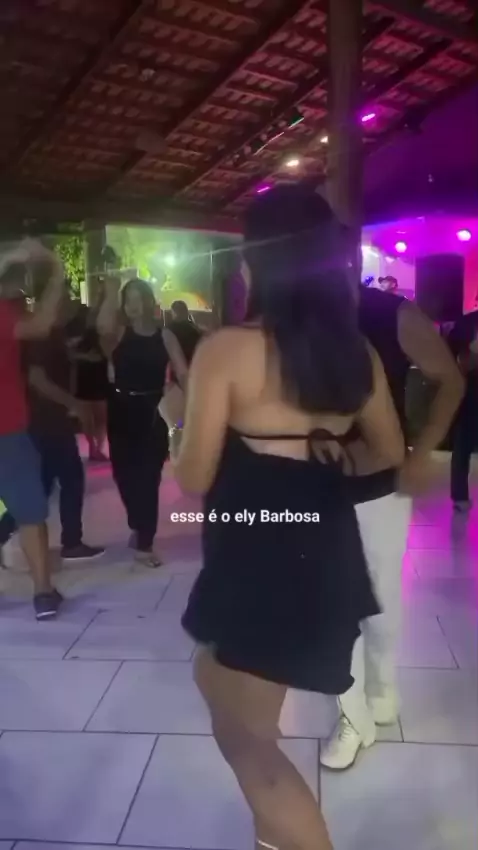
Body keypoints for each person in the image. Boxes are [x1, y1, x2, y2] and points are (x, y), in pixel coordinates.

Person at [166, 185, 405, 850]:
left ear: (256, 263)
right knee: (239, 703)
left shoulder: (228, 349)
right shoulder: (355, 352)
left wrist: (181, 420)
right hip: (324, 550)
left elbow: (193, 477)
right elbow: (389, 451)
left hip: (258, 554)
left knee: (246, 739)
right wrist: (324, 462)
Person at [320, 282, 464, 770]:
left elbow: (451, 380)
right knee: (335, 606)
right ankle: (352, 713)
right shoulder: (290, 309)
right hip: (314, 486)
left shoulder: (391, 313)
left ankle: (382, 687)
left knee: (380, 603)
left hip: (380, 484)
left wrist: (421, 453)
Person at [0, 286, 105, 563]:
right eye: (64, 297)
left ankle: (5, 532)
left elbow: (64, 353)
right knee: (69, 479)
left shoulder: (53, 332)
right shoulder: (41, 335)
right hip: (46, 420)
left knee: (42, 486)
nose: (71, 302)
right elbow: (37, 378)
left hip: (46, 419)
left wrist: (79, 357)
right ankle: (72, 542)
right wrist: (74, 403)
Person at [97, 277, 187, 568]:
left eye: (138, 299)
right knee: (123, 477)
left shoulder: (165, 336)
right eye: (128, 300)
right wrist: (111, 293)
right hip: (121, 411)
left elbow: (183, 372)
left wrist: (193, 403)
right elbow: (102, 326)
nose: (133, 306)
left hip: (152, 412)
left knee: (149, 479)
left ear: (149, 301)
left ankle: (145, 543)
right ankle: (138, 524)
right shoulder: (118, 333)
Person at [0, 239, 65, 619]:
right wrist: (55, 273)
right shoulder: (3, 313)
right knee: (29, 512)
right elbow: (41, 325)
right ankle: (42, 591)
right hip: (7, 429)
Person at [68, 289, 109, 463]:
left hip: (98, 376)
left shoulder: (102, 331)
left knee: (100, 418)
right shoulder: (75, 331)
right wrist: (86, 357)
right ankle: (94, 448)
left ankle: (97, 448)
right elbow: (66, 352)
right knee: (89, 418)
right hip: (85, 378)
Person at [447, 311, 478, 511]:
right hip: (470, 391)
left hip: (468, 391)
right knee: (462, 444)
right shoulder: (466, 323)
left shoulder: (466, 322)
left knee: (462, 444)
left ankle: (460, 497)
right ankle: (459, 497)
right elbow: (451, 355)